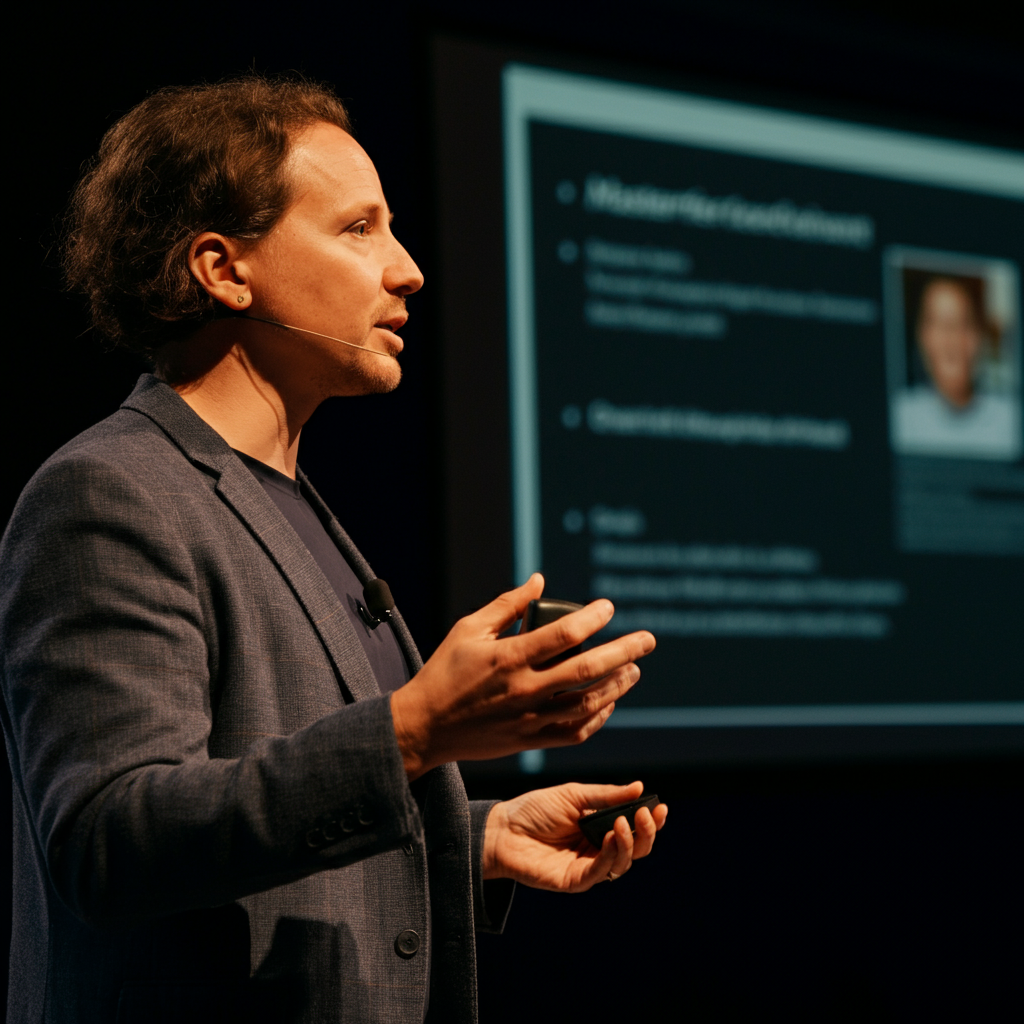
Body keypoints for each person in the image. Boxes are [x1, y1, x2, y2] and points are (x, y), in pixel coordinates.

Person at [0, 76, 665, 1023]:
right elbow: (109, 840)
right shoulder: (108, 494)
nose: (407, 270)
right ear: (224, 270)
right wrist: (413, 734)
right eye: (359, 230)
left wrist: (467, 836)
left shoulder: (290, 502)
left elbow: (267, 800)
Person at [890, 273, 1020, 460]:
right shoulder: (901, 418)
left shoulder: (1010, 420)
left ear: (979, 336)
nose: (953, 340)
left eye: (963, 323)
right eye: (941, 324)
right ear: (923, 336)